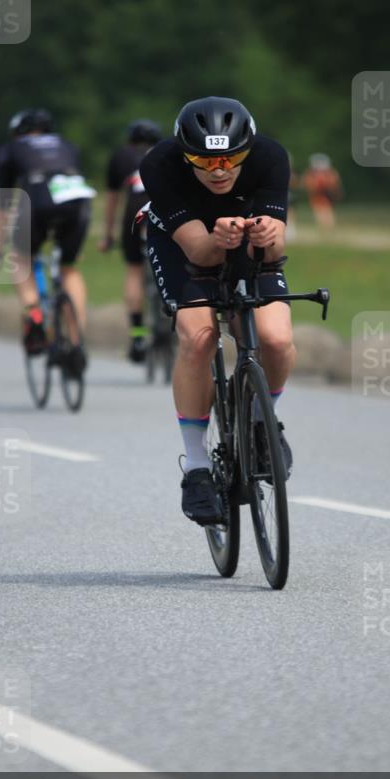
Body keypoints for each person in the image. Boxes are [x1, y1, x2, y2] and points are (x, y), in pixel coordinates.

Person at [140, 96, 295, 526]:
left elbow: (278, 245)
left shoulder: (270, 157)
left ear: (247, 149)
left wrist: (265, 234)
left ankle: (264, 421)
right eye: (204, 161)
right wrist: (219, 238)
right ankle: (196, 467)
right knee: (199, 337)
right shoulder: (159, 164)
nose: (219, 170)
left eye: (230, 159)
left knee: (277, 338)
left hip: (247, 244)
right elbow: (201, 253)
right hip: (183, 246)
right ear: (185, 154)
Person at [0, 108, 95, 376]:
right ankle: (76, 341)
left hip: (37, 199)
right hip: (77, 200)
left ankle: (34, 312)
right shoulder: (67, 145)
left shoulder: (11, 148)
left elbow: (4, 204)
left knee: (21, 258)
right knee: (69, 268)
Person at [98, 119, 162, 363]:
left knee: (134, 270)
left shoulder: (121, 155)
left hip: (135, 213)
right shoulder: (166, 151)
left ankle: (137, 335)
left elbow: (112, 199)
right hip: (162, 208)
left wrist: (108, 236)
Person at [302, 153, 342, 228]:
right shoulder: (312, 174)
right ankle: (325, 226)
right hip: (318, 196)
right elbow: (308, 185)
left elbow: (334, 184)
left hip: (326, 195)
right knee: (320, 211)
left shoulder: (329, 173)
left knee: (326, 211)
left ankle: (328, 226)